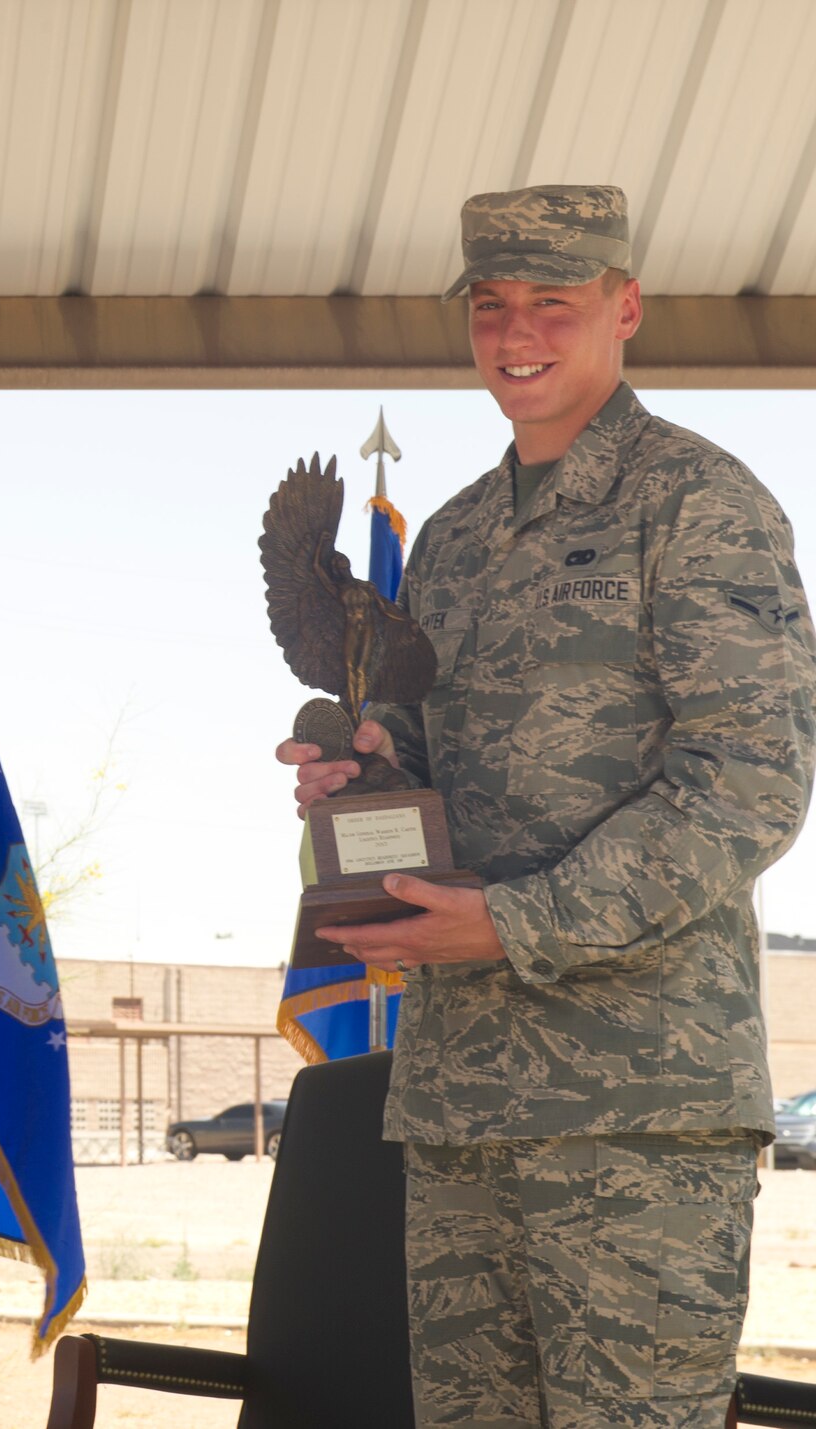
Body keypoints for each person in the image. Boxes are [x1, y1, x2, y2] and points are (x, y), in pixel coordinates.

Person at [278, 185, 816, 1427]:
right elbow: (423, 748)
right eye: (490, 305)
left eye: (552, 305)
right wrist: (354, 772)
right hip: (463, 1099)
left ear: (622, 310)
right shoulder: (457, 537)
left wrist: (511, 922)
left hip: (634, 1105)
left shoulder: (699, 504)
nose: (515, 333)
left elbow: (748, 780)